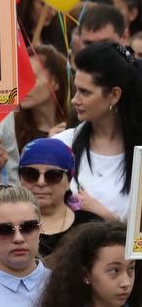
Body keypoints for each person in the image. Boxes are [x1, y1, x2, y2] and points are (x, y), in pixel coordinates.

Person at [53, 41, 142, 220]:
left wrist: (107, 218)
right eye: (76, 89)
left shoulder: (138, 154)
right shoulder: (61, 145)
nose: (74, 100)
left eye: (85, 92)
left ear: (114, 95)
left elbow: (138, 243)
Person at [15, 138, 103, 260]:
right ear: (20, 177)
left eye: (53, 175)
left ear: (69, 180)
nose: (41, 182)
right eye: (30, 173)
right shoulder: (4, 226)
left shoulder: (91, 225)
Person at [13, 45, 70, 152]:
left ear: (55, 82)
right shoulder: (12, 129)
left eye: (31, 77)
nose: (21, 85)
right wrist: (46, 147)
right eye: (19, 78)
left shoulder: (76, 126)